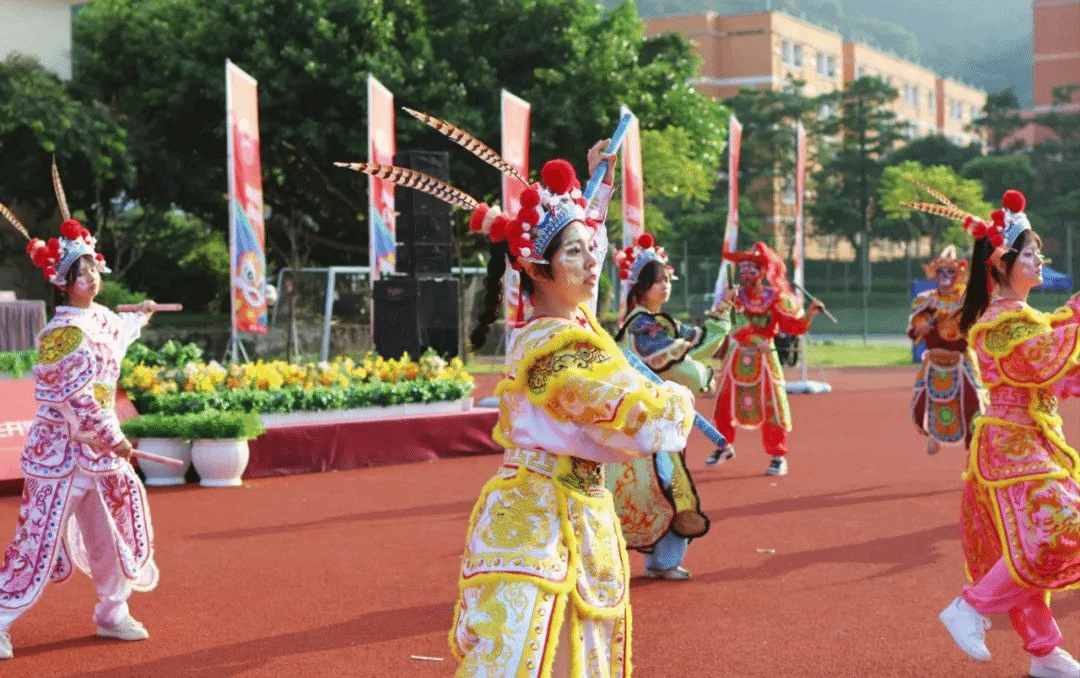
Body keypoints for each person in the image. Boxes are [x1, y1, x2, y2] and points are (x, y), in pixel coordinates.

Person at [455, 150, 695, 676]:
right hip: (546, 520)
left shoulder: (563, 324)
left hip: (564, 510)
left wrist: (598, 183)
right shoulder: (560, 350)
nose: (592, 263)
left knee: (567, 654)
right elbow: (642, 423)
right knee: (533, 658)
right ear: (535, 267)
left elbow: (591, 240)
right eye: (574, 253)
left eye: (592, 250)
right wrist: (678, 399)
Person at [925, 189, 1080, 678]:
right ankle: (970, 606)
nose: (1039, 260)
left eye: (1038, 252)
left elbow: (1059, 370)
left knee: (1028, 544)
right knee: (1060, 529)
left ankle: (1044, 654)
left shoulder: (1027, 318)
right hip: (1011, 446)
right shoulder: (999, 320)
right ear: (1001, 263)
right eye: (1030, 252)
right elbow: (1040, 359)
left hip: (1033, 441)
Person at [0, 204, 159, 660]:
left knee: (111, 536)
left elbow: (118, 334)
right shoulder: (60, 336)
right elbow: (80, 400)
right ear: (62, 283)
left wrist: (141, 316)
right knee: (37, 542)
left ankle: (113, 612)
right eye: (80, 273)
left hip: (99, 455)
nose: (90, 278)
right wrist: (115, 438)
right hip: (60, 455)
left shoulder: (102, 318)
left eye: (91, 269)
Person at [604, 234, 731, 580]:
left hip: (658, 422)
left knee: (662, 486)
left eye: (666, 279)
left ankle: (662, 560)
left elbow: (697, 342)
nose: (665, 286)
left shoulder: (659, 322)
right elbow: (678, 365)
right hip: (645, 423)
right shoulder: (642, 325)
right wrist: (703, 374)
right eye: (657, 280)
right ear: (640, 287)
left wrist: (721, 315)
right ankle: (650, 560)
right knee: (663, 487)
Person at [709, 241, 825, 475]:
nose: (745, 273)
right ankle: (723, 446)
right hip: (738, 356)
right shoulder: (735, 296)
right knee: (724, 403)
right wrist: (750, 335)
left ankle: (777, 456)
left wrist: (810, 314)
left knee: (774, 406)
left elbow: (794, 327)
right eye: (743, 268)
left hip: (765, 361)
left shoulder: (775, 297)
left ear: (762, 272)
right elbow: (731, 324)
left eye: (751, 268)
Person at [907, 244, 984, 455]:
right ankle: (932, 435)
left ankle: (974, 444)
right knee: (923, 401)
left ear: (960, 273)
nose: (945, 275)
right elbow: (914, 328)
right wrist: (921, 326)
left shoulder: (967, 297)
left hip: (962, 358)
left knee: (974, 401)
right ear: (934, 273)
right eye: (941, 271)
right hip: (934, 359)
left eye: (951, 271)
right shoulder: (926, 299)